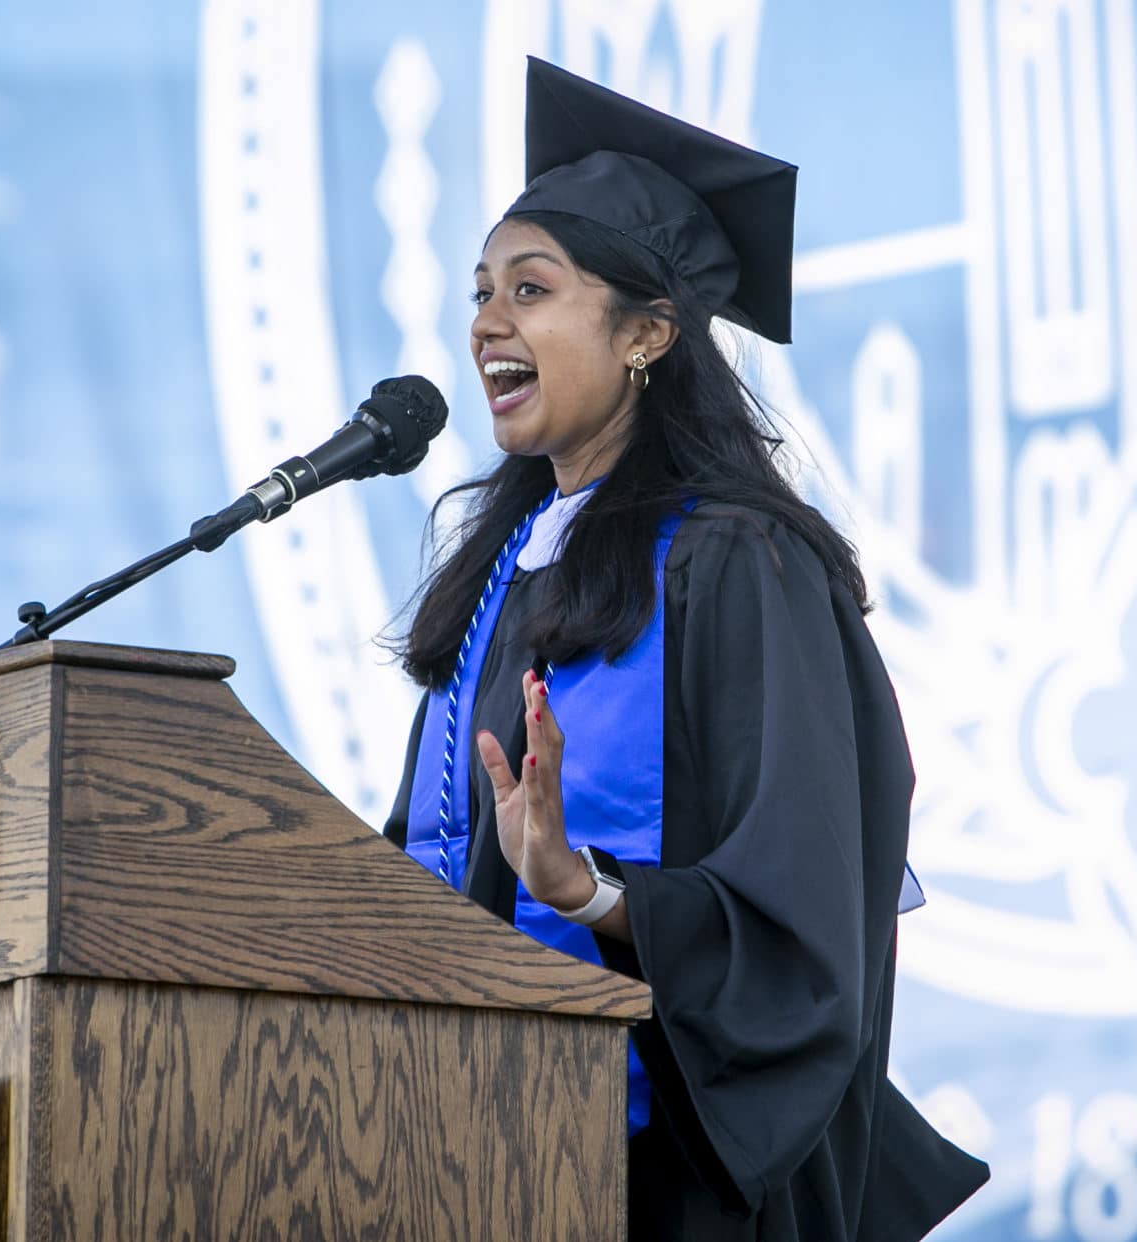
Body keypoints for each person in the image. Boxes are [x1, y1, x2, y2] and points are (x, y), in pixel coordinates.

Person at [383, 57, 989, 1240]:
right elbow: (430, 856)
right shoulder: (506, 574)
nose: (485, 324)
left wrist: (587, 891)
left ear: (648, 333)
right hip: (477, 1152)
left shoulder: (740, 566)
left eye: (530, 290)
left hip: (680, 1169)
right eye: (480, 293)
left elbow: (802, 916)